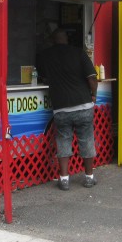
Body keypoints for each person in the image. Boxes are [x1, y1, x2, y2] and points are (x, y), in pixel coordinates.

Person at [37, 28, 99, 191]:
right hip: (83, 104)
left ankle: (64, 179)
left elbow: (42, 76)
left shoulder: (45, 56)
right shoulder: (78, 53)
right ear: (66, 38)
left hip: (61, 107)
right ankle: (89, 177)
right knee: (86, 140)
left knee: (63, 140)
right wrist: (94, 95)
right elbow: (92, 78)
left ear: (52, 40)